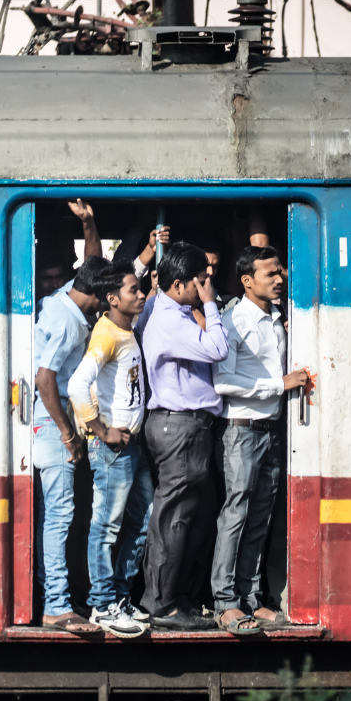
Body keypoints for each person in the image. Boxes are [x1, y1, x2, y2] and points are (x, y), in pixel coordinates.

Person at [209, 246, 310, 635]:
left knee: (259, 517)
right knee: (235, 516)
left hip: (269, 432)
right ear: (247, 281)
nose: (280, 278)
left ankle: (250, 599)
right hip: (241, 432)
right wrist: (278, 385)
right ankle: (225, 603)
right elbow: (222, 382)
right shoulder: (234, 322)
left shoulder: (275, 319)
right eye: (271, 274)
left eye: (280, 271)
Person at [138, 243, 229, 631]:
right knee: (173, 520)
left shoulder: (163, 310)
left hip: (179, 425)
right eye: (200, 282)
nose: (206, 286)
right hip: (181, 426)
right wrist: (210, 306)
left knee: (188, 517)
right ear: (178, 284)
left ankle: (176, 598)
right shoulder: (171, 321)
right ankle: (162, 605)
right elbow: (219, 348)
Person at [67, 261, 153, 638]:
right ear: (112, 298)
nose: (141, 294)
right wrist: (100, 429)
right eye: (133, 290)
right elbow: (76, 385)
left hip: (131, 446)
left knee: (142, 519)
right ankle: (102, 605)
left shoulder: (124, 328)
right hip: (113, 449)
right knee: (106, 528)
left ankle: (118, 596)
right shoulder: (107, 335)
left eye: (140, 288)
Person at [31, 256, 110, 634]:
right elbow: (45, 379)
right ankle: (56, 606)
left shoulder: (64, 299)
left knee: (54, 515)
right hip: (50, 420)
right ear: (95, 292)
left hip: (50, 419)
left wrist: (89, 225)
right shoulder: (66, 322)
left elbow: (91, 261)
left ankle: (56, 598)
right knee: (60, 517)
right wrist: (66, 432)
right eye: (106, 297)